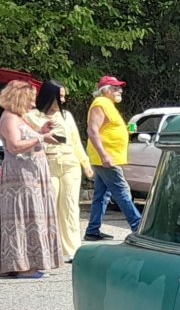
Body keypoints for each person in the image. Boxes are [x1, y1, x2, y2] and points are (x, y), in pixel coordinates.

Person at [0, 80, 62, 278]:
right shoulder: (9, 118)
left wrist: (41, 130)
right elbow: (14, 146)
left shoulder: (20, 117)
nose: (33, 104)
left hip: (32, 177)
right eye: (30, 99)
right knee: (22, 219)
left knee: (32, 218)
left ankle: (30, 262)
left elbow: (28, 138)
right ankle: (20, 265)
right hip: (20, 178)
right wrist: (42, 138)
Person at [28, 80, 92, 261]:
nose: (63, 100)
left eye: (64, 96)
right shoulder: (32, 116)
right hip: (47, 163)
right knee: (50, 206)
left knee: (70, 206)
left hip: (70, 163)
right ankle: (49, 249)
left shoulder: (67, 116)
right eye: (60, 96)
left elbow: (76, 141)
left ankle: (72, 250)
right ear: (50, 95)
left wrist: (85, 164)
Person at [84, 75, 142, 241]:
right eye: (116, 88)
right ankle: (138, 227)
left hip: (107, 157)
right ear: (106, 90)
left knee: (102, 195)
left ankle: (92, 230)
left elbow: (106, 129)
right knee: (122, 191)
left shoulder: (107, 104)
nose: (120, 90)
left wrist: (125, 130)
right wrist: (104, 155)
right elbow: (92, 131)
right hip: (106, 158)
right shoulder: (100, 103)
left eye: (119, 88)